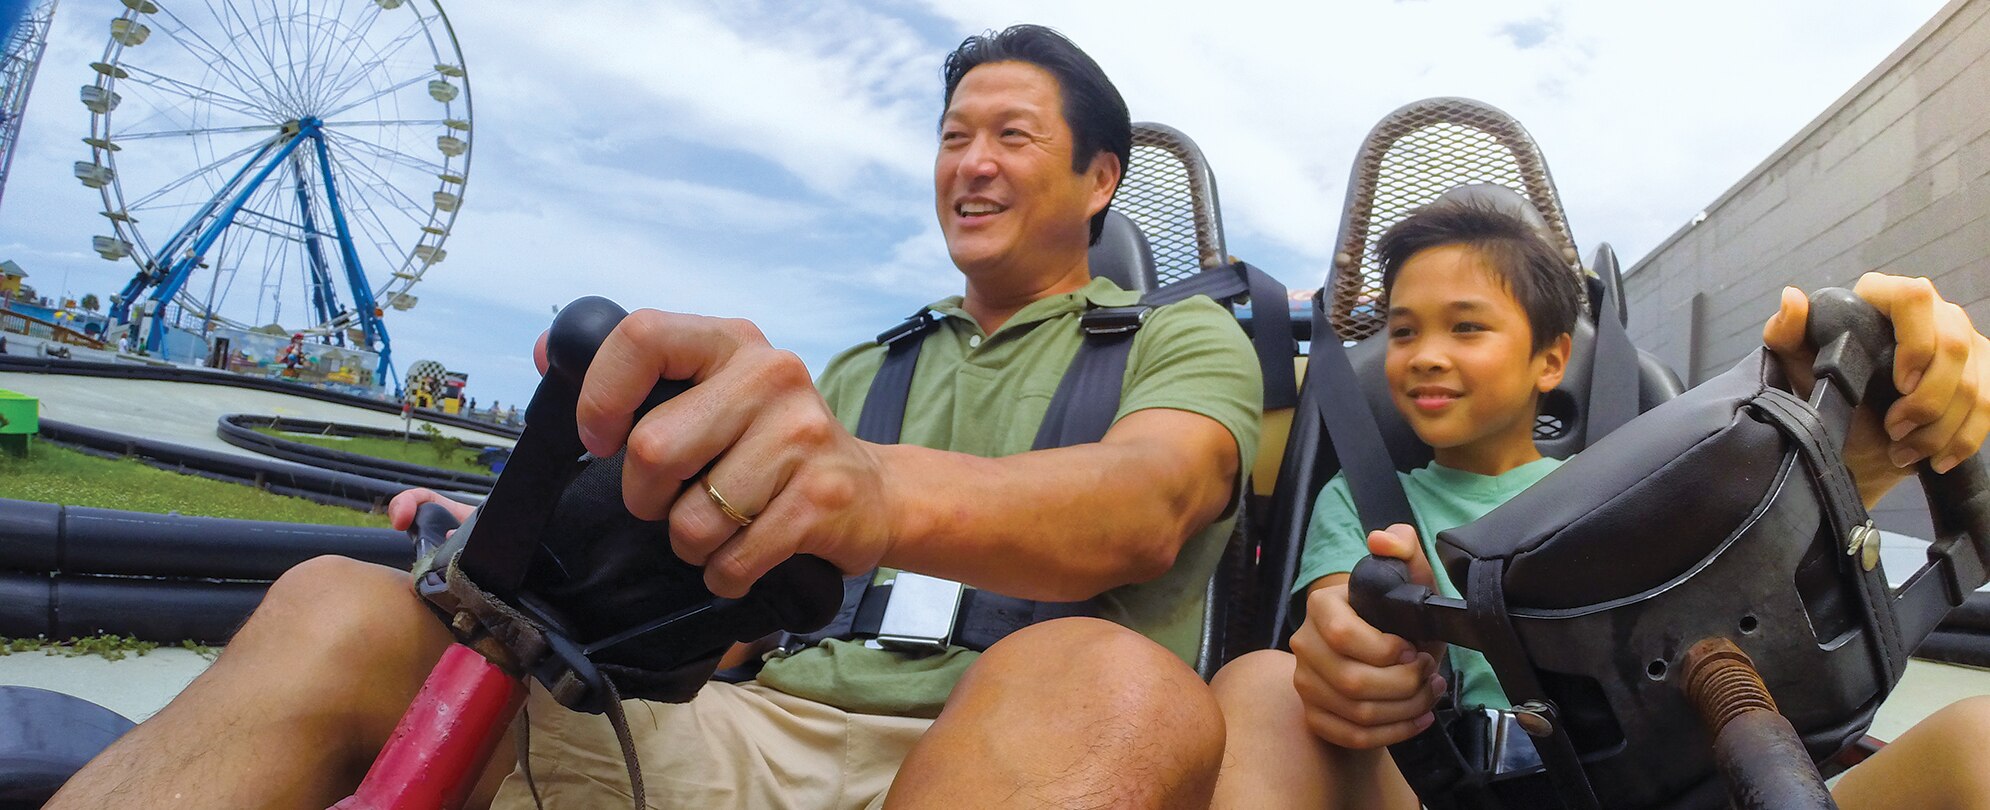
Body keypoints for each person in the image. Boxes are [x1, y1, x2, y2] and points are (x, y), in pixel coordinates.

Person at [49, 24, 1261, 810]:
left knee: (1119, 684)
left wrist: (874, 494)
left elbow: (1145, 506)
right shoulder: (855, 367)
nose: (971, 165)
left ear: (1099, 180)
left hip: (1018, 749)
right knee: (337, 602)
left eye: (1011, 137)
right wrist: (570, 545)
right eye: (953, 139)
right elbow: (727, 622)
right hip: (750, 729)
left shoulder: (1179, 338)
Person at [1207, 199, 1990, 809]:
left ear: (1552, 359)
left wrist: (1863, 449)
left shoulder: (1647, 485)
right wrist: (1376, 646)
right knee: (1262, 685)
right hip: (1447, 788)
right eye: (1403, 332)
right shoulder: (1369, 501)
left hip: (1693, 777)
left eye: (1467, 327)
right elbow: (1336, 611)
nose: (1425, 355)